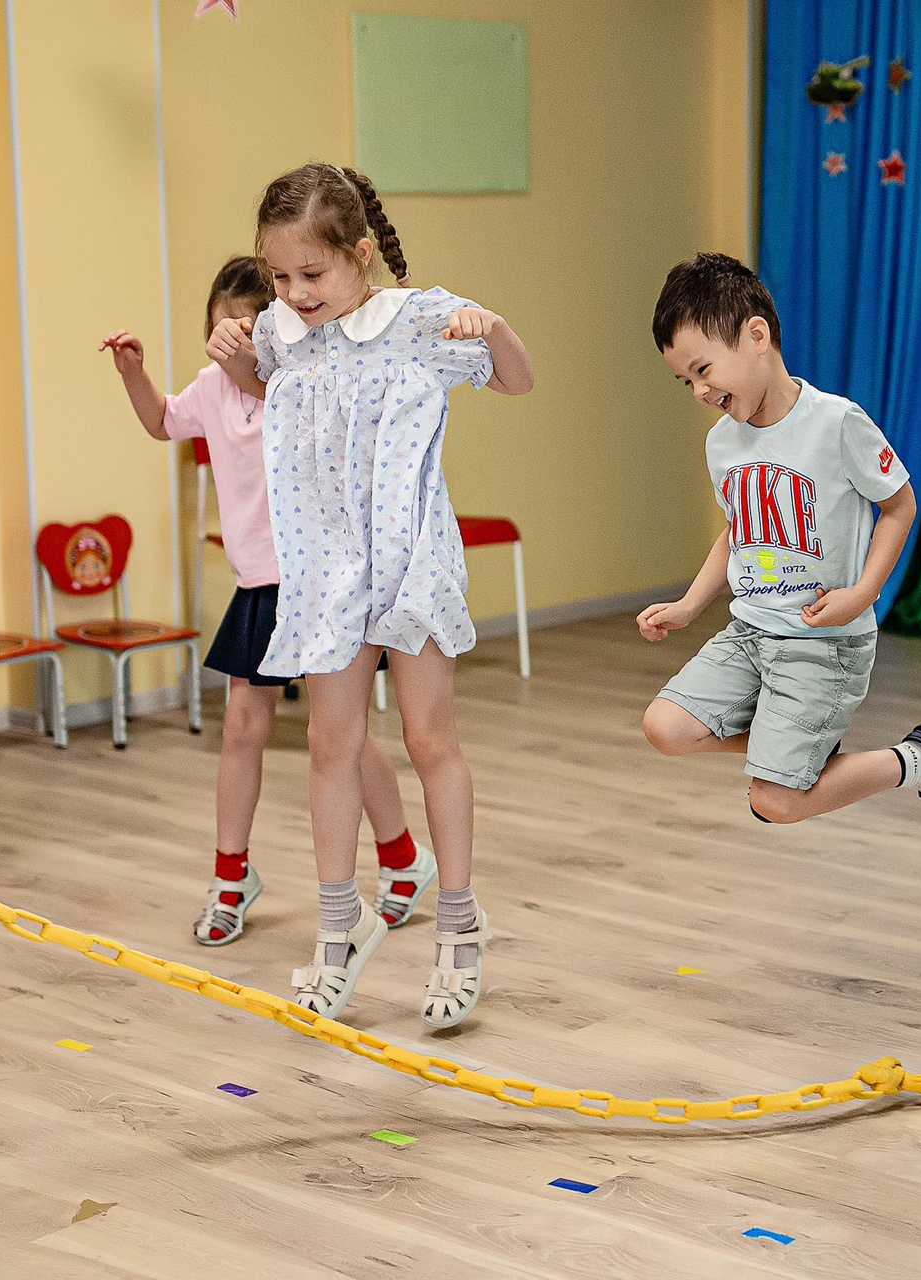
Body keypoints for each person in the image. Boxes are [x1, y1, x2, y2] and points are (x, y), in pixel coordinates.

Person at [208, 163, 533, 1026]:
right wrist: (239, 364)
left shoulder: (418, 320)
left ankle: (460, 924)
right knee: (331, 743)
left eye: (310, 273)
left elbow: (516, 379)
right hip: (326, 569)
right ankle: (338, 924)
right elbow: (276, 397)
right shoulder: (283, 332)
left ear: (359, 254)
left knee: (428, 737)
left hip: (409, 559)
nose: (293, 292)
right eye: (279, 276)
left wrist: (494, 327)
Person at [100, 256, 434, 949]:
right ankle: (231, 878)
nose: (227, 341)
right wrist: (134, 373)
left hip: (320, 585)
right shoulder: (210, 390)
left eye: (243, 328)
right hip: (257, 585)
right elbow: (162, 421)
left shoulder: (304, 383)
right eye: (217, 328)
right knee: (241, 729)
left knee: (338, 736)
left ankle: (403, 858)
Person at [638, 253, 921, 840]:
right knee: (664, 727)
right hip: (750, 634)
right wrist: (689, 605)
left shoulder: (837, 423)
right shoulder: (722, 443)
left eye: (703, 369)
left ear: (757, 336)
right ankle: (790, 744)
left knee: (775, 801)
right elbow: (738, 530)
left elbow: (899, 505)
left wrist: (864, 593)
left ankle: (920, 762)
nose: (698, 391)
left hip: (823, 645)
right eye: (685, 381)